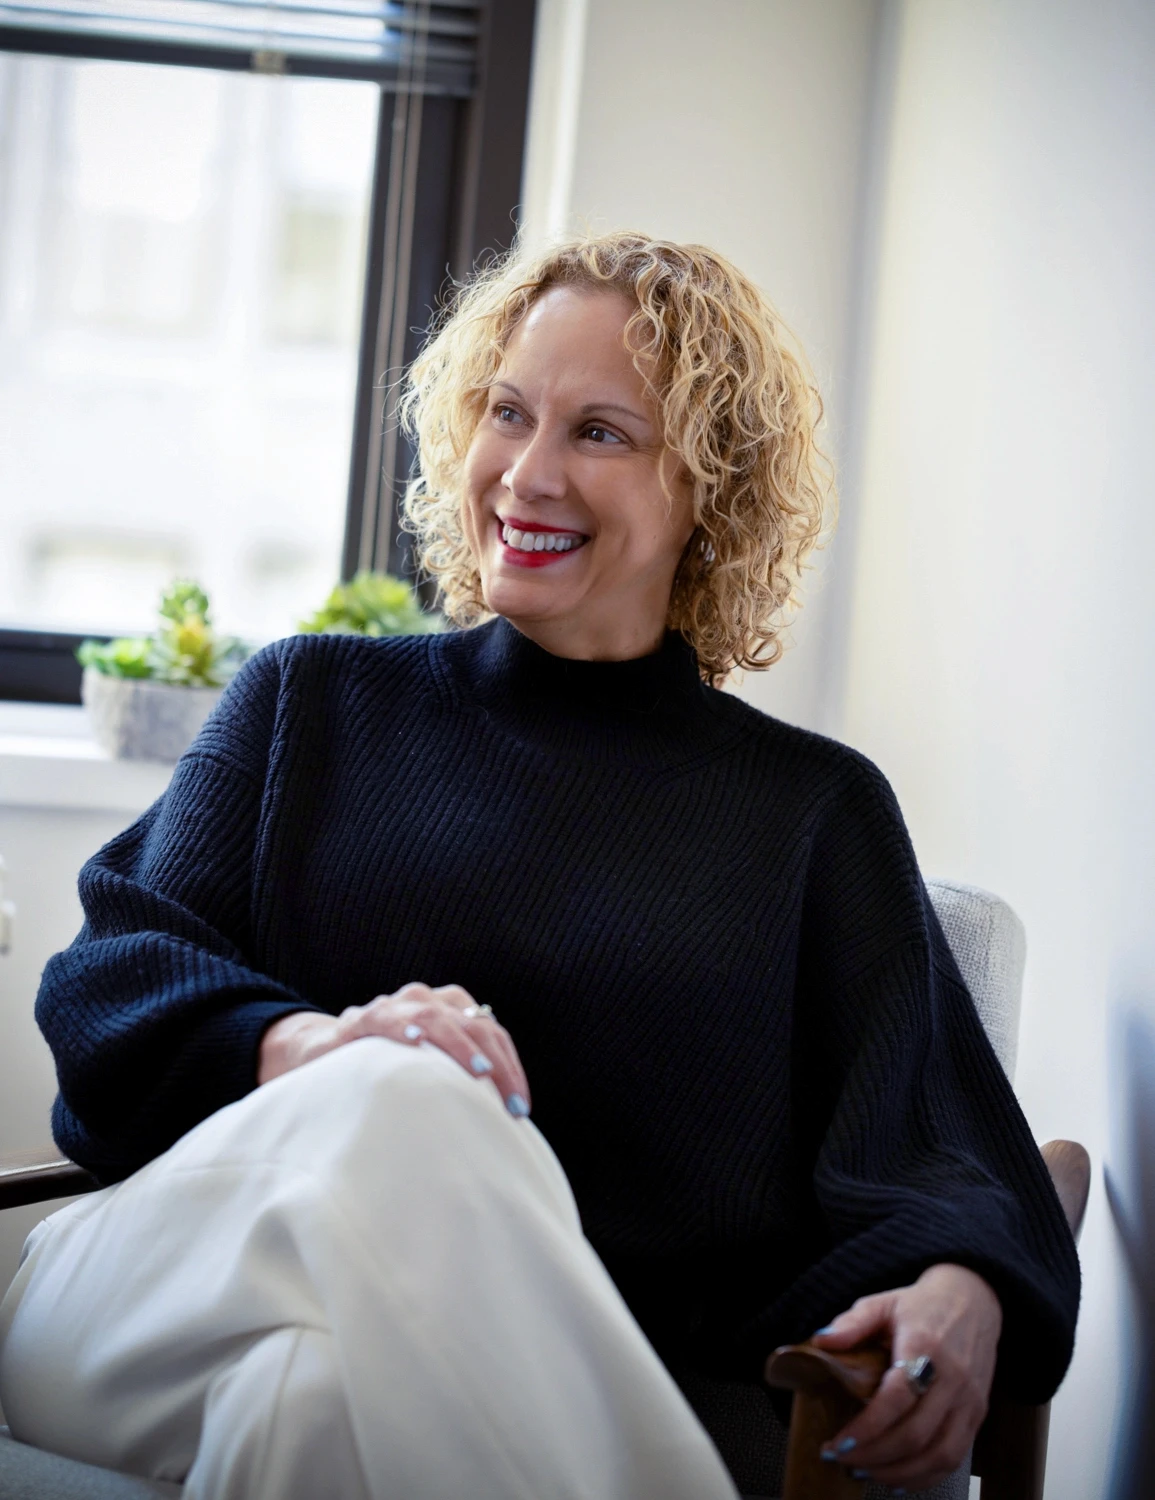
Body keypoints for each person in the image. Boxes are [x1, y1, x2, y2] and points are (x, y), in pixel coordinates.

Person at [0, 232, 1079, 1500]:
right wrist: (310, 1052)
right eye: (507, 413)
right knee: (411, 1090)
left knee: (308, 1405)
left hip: (374, 1390)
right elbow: (104, 984)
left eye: (601, 433)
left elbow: (950, 1144)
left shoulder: (813, 815)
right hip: (147, 1305)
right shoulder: (311, 701)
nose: (526, 473)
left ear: (710, 489)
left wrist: (967, 1286)